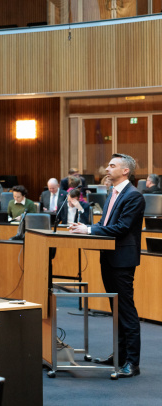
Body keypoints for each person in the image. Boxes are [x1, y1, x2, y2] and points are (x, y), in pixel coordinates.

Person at [70, 153, 144, 378]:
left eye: (112, 166)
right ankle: (120, 356)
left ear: (125, 171)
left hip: (122, 261)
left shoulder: (134, 196)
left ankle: (132, 362)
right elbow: (104, 223)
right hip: (109, 257)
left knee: (126, 311)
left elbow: (122, 228)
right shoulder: (112, 193)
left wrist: (90, 230)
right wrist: (87, 227)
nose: (107, 169)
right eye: (108, 165)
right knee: (116, 309)